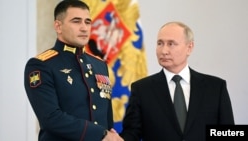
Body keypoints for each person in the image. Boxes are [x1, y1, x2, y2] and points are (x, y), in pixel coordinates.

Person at [24, 0, 124, 141]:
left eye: (87, 22)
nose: (84, 28)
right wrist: (101, 134)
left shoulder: (99, 64)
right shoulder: (41, 65)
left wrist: (110, 134)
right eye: (76, 21)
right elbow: (51, 118)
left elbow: (106, 117)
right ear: (58, 26)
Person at [120, 21, 234, 141]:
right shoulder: (142, 89)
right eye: (160, 43)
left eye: (171, 44)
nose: (164, 51)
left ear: (189, 47)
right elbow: (132, 133)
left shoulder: (216, 87)